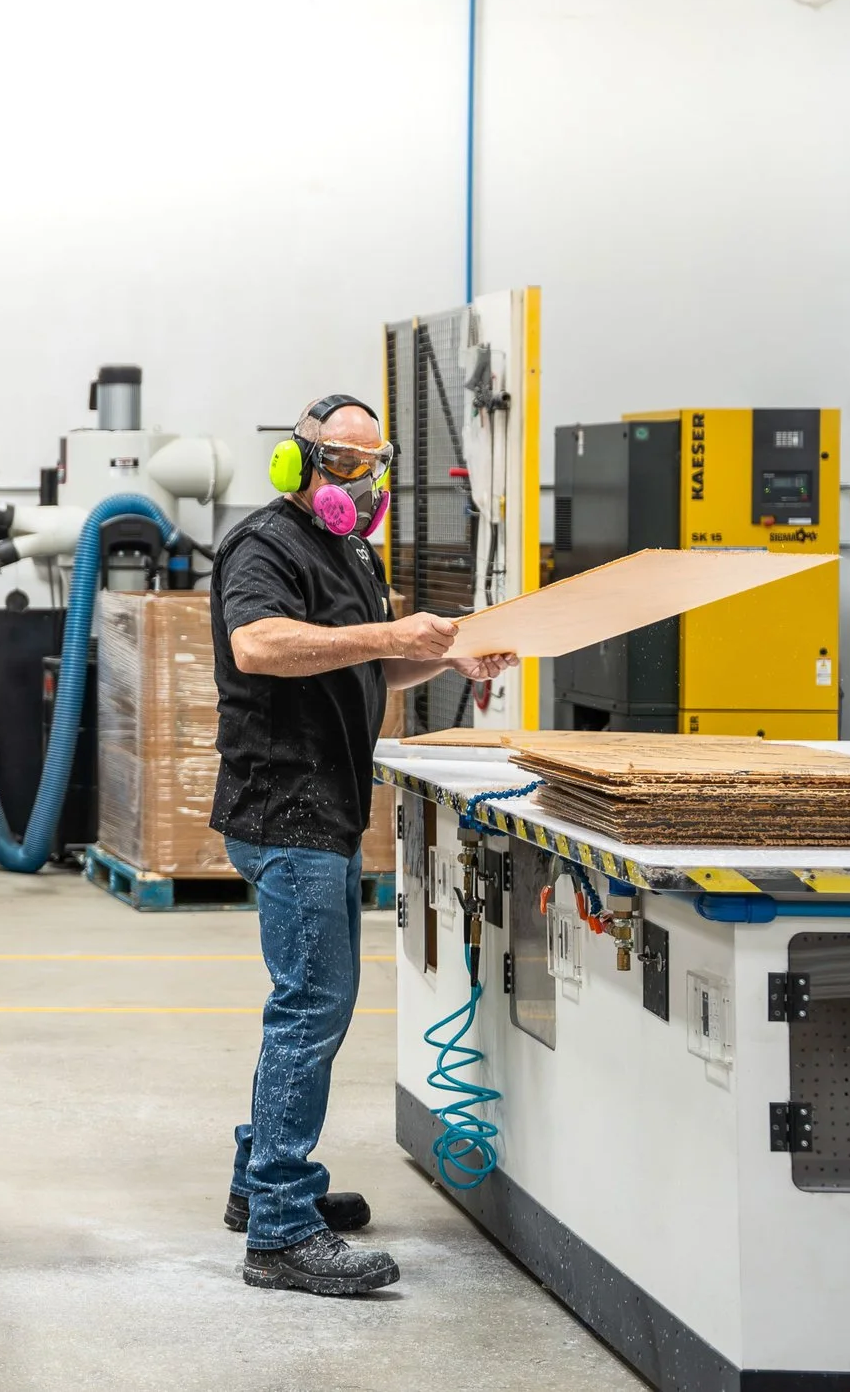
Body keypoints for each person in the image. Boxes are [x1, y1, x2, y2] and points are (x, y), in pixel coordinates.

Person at [211, 395, 515, 1295]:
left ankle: (259, 1177)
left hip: (330, 806)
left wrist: (448, 658)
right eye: (343, 463)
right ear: (299, 463)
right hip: (285, 806)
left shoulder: (352, 550)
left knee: (315, 1006)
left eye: (371, 465)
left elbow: (366, 662)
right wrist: (390, 630)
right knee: (311, 1008)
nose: (360, 480)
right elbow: (260, 644)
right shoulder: (262, 545)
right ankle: (277, 1230)